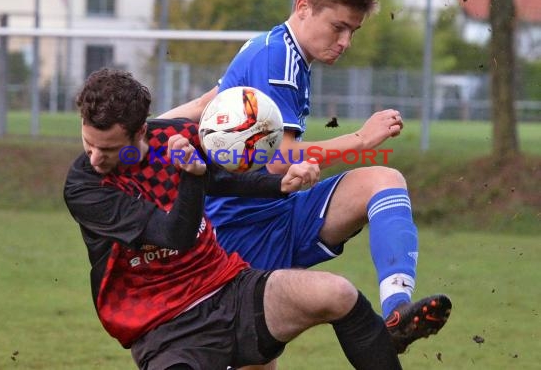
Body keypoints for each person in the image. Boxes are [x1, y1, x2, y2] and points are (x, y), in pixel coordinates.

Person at [159, 0, 452, 368]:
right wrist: (361, 140)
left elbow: (205, 105)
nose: (346, 41)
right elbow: (279, 159)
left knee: (383, 181)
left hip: (277, 214)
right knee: (254, 361)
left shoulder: (275, 51)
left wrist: (141, 133)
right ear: (303, 7)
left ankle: (396, 314)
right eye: (338, 27)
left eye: (353, 31)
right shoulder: (278, 58)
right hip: (240, 235)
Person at [63, 68, 405, 370]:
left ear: (140, 131)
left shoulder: (172, 137)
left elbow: (221, 178)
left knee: (337, 293)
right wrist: (192, 175)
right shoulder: (86, 186)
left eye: (107, 149)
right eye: (89, 143)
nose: (94, 157)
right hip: (164, 326)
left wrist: (279, 183)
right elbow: (174, 235)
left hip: (228, 288)